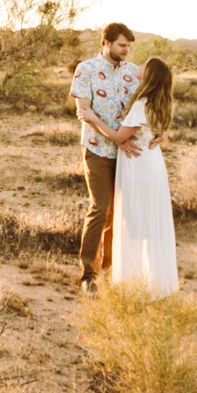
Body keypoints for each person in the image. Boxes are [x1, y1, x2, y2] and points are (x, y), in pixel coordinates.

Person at [69, 22, 141, 294]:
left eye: (128, 46)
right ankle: (88, 274)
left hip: (125, 154)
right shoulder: (85, 70)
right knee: (99, 208)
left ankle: (111, 269)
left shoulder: (133, 73)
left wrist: (159, 133)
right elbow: (84, 112)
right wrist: (115, 136)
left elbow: (148, 107)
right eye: (122, 45)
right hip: (97, 149)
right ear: (107, 43)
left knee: (117, 212)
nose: (126, 50)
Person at [111, 56, 179, 297]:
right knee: (149, 223)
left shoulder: (142, 104)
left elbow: (120, 137)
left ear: (148, 74)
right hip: (152, 164)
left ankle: (134, 283)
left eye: (143, 65)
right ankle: (154, 282)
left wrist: (91, 118)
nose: (137, 66)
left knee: (136, 222)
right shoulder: (159, 103)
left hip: (139, 166)